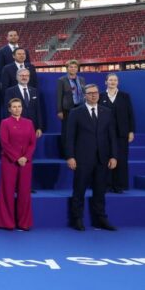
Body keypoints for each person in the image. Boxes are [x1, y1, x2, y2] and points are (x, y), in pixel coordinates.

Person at [64, 84, 118, 231]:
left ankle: (100, 219)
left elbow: (112, 136)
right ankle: (77, 219)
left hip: (103, 158)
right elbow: (69, 137)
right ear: (84, 95)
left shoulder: (107, 112)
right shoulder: (76, 112)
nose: (94, 95)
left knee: (100, 191)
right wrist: (70, 156)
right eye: (90, 93)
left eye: (96, 93)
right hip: (82, 158)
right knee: (79, 190)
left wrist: (114, 156)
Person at [0, 98, 36, 231]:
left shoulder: (29, 123)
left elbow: (32, 143)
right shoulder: (5, 123)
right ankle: (7, 222)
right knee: (7, 191)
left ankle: (24, 223)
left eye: (19, 106)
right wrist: (17, 158)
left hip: (26, 162)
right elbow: (4, 143)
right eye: (14, 107)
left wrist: (25, 157)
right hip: (9, 161)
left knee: (24, 192)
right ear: (9, 109)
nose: (17, 109)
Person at [100, 74, 135, 193]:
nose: (113, 82)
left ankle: (119, 186)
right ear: (106, 82)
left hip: (122, 133)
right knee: (105, 158)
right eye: (110, 80)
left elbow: (130, 115)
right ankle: (106, 185)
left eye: (115, 80)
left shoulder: (125, 96)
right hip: (105, 133)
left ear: (118, 82)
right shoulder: (100, 96)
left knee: (121, 159)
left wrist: (131, 131)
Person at [4, 69, 45, 138]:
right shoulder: (10, 91)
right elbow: (8, 110)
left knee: (30, 147)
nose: (24, 77)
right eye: (22, 75)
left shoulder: (34, 91)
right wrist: (10, 126)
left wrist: (39, 127)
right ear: (17, 77)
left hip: (32, 126)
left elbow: (38, 110)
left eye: (26, 75)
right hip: (16, 125)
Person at [56, 60, 86, 149]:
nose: (73, 69)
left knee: (79, 130)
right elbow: (59, 96)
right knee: (67, 131)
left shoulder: (82, 79)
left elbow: (84, 93)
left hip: (80, 108)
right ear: (67, 68)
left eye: (75, 67)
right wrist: (59, 111)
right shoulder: (61, 80)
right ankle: (66, 153)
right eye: (71, 67)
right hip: (67, 109)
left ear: (78, 68)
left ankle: (78, 151)